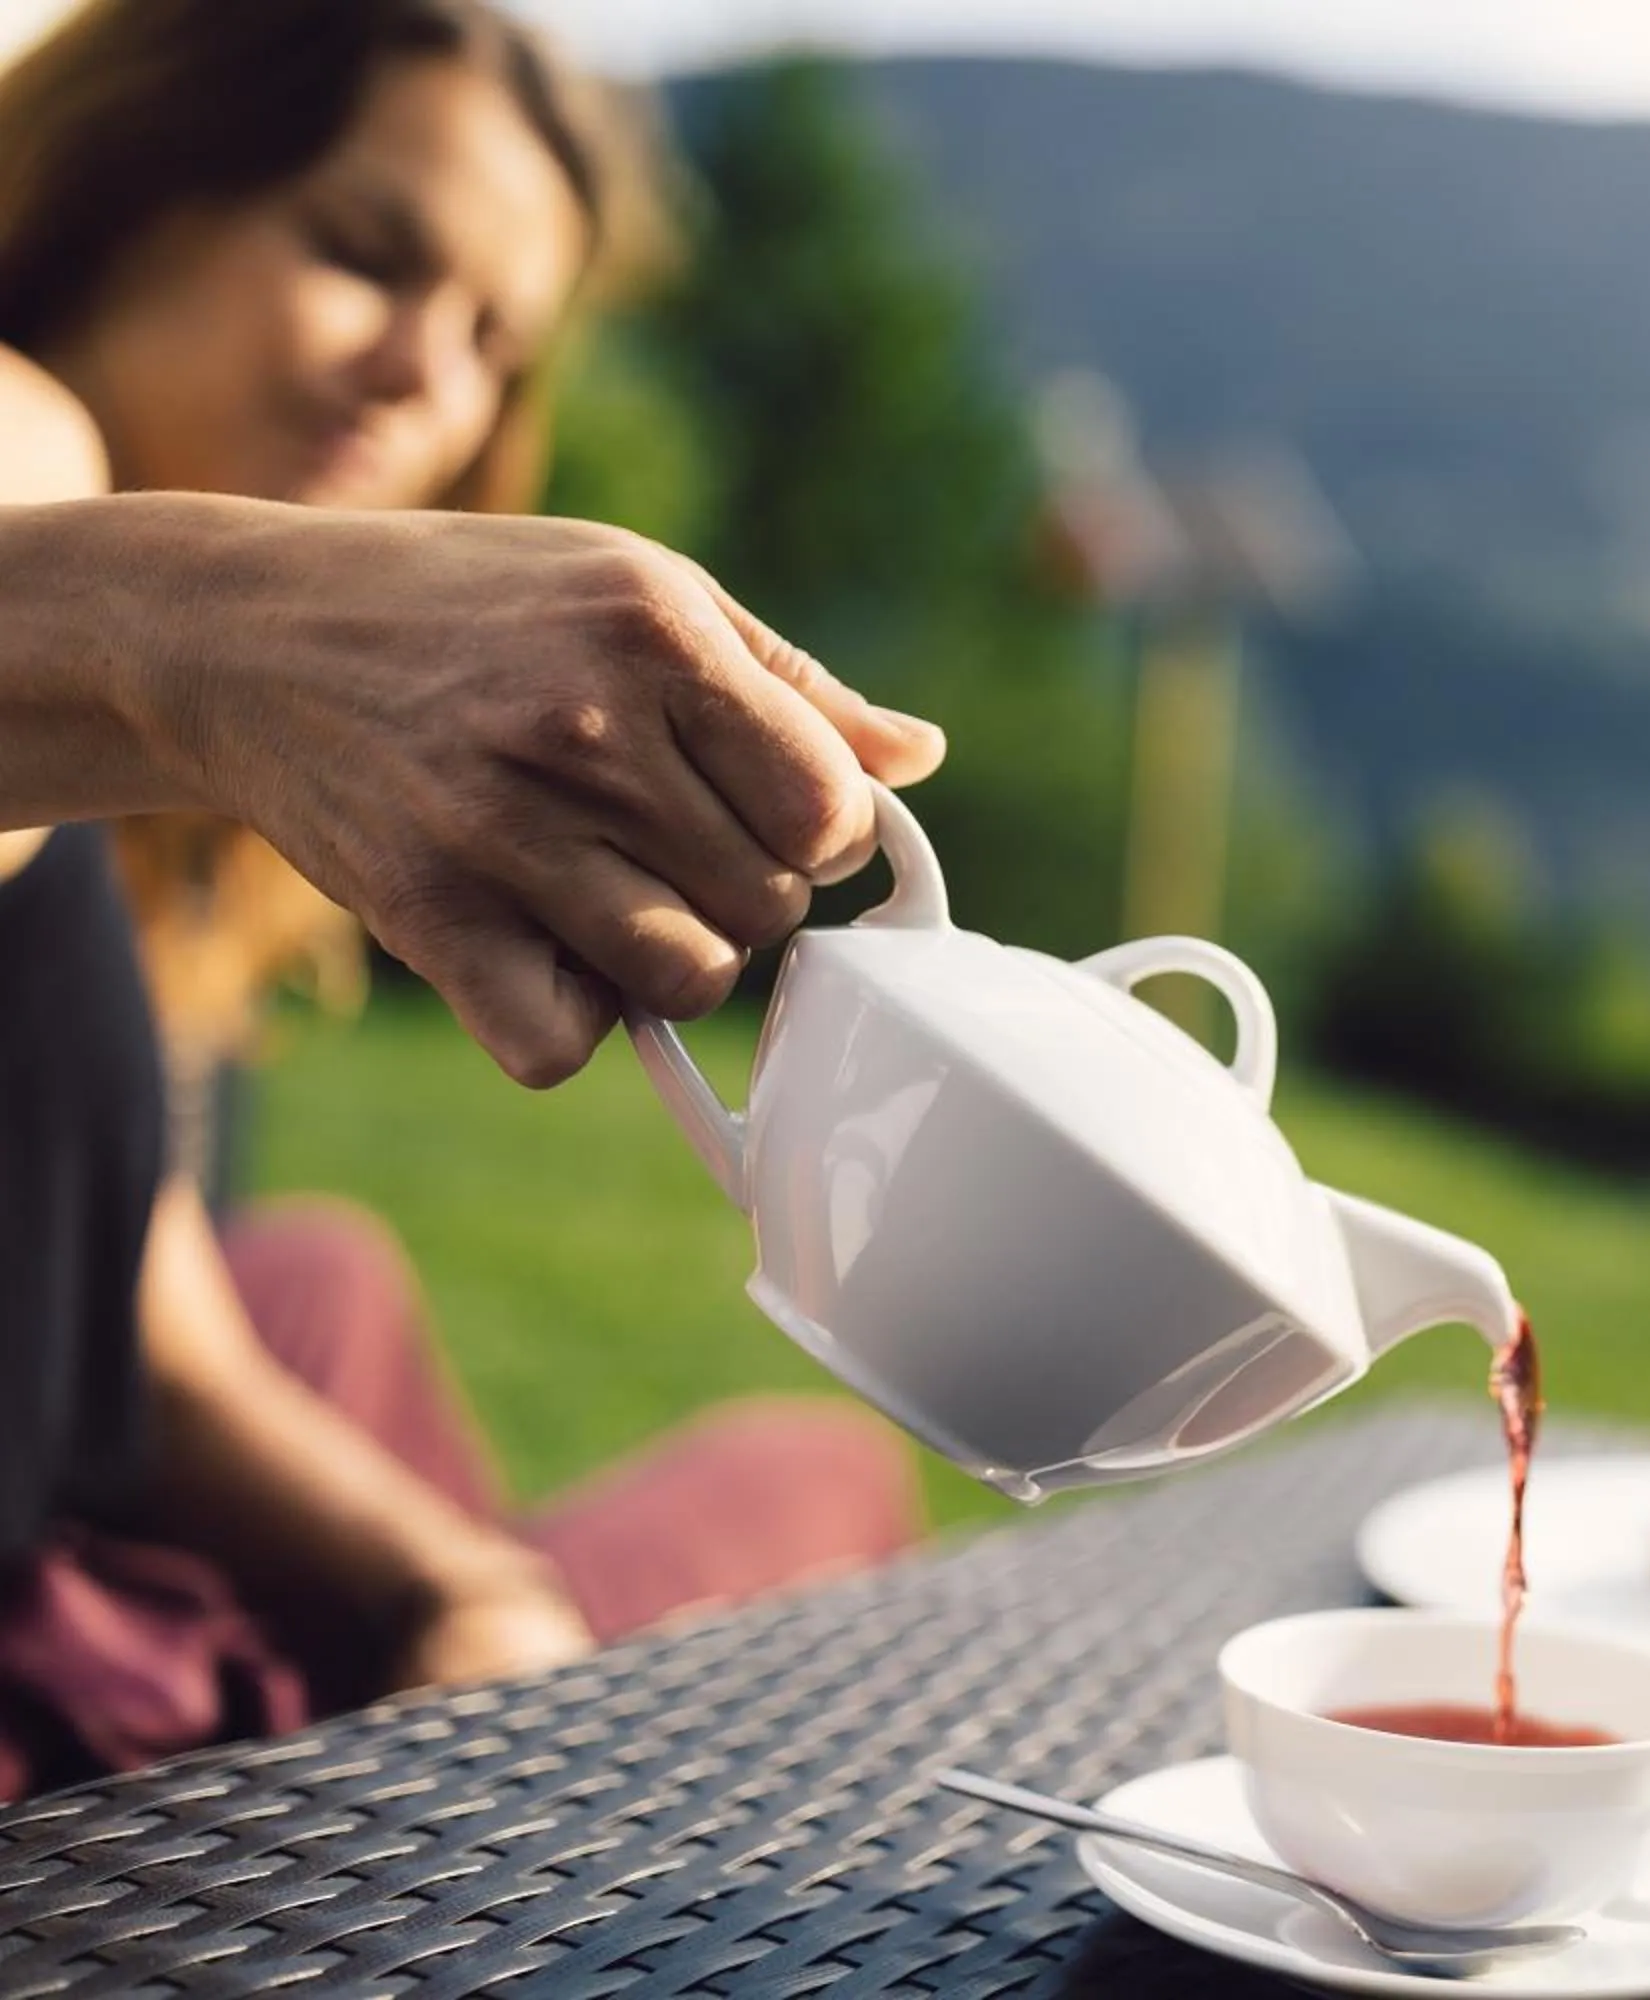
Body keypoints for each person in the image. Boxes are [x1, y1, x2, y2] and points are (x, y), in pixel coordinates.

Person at [0, 0, 943, 1801]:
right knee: (808, 1478)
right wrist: (188, 628)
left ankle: (481, 1732)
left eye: (499, 349)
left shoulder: (145, 821)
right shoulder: (28, 436)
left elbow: (133, 1307)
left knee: (323, 1283)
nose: (425, 376)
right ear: (126, 198)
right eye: (364, 255)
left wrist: (460, 1586)